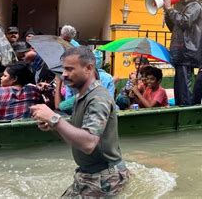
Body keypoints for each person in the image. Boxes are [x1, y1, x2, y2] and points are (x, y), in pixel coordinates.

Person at [30, 47, 130, 197]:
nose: (64, 74)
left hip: (104, 178)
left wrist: (54, 119)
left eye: (70, 69)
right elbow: (76, 137)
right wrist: (52, 126)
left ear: (89, 68)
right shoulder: (81, 96)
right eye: (63, 69)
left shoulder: (98, 99)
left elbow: (88, 143)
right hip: (88, 174)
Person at [163, 0, 202, 106]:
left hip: (187, 52)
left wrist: (170, 9)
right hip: (181, 52)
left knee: (184, 85)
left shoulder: (195, 6)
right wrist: (167, 13)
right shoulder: (184, 7)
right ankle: (181, 106)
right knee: (180, 84)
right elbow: (175, 28)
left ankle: (185, 109)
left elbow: (184, 22)